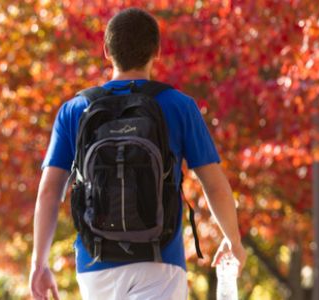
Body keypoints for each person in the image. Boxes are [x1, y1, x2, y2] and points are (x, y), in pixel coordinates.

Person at [28, 8, 246, 300]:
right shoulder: (178, 105)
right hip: (161, 259)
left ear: (106, 50)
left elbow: (49, 193)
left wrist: (39, 263)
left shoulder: (75, 110)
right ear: (157, 51)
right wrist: (233, 239)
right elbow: (214, 183)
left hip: (95, 263)